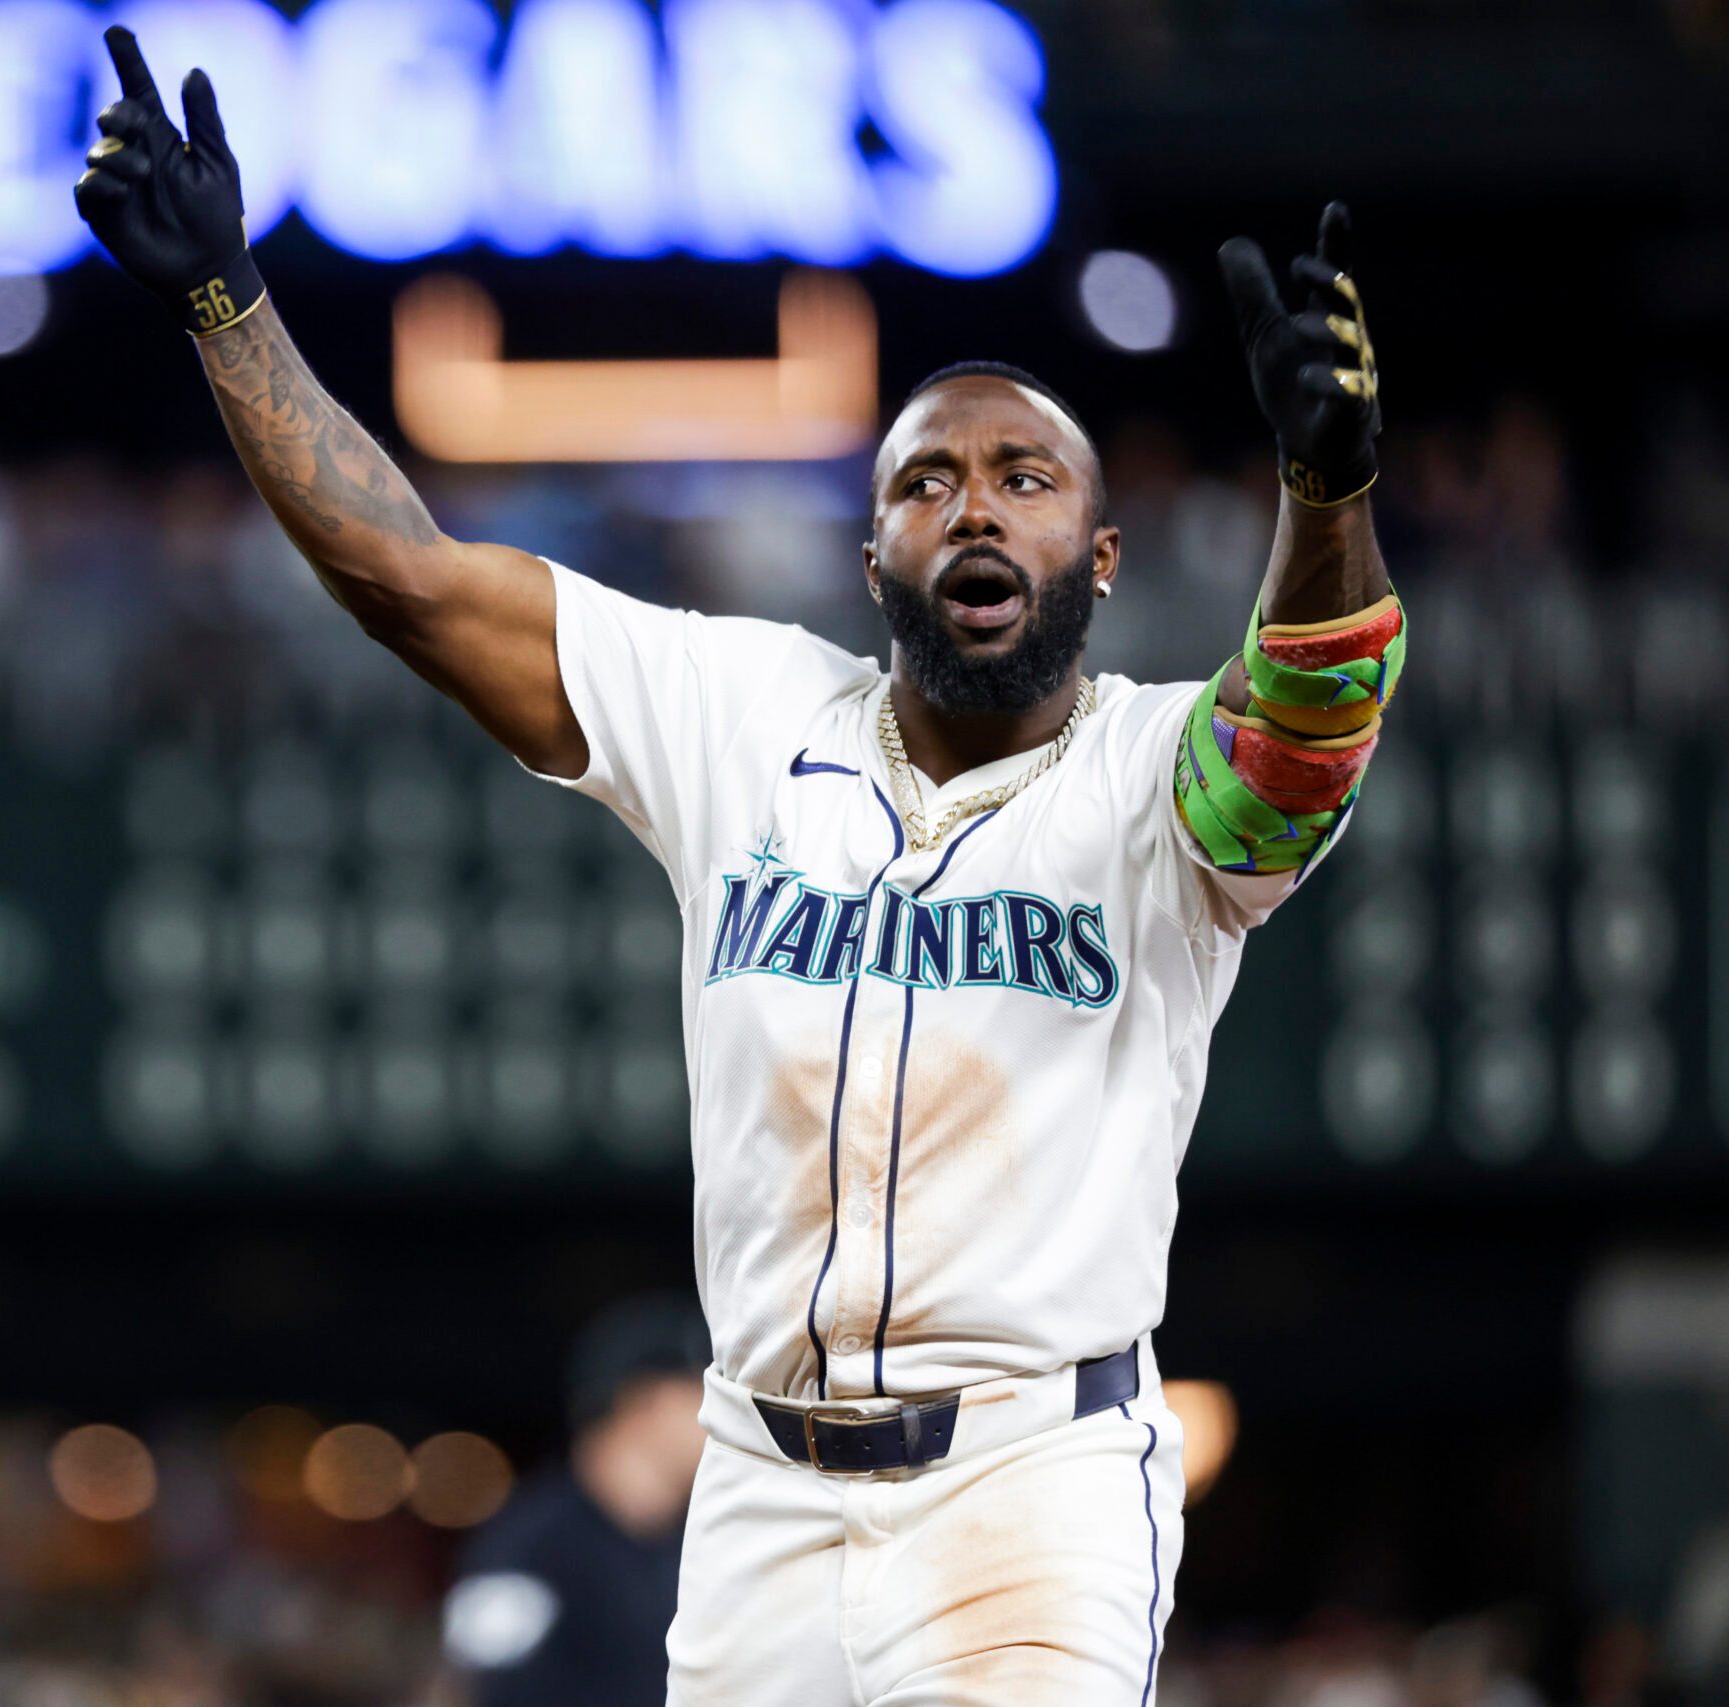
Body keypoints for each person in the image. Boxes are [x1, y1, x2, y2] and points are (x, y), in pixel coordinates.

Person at [75, 28, 1402, 1703]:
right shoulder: (742, 708)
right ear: (872, 554)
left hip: (1030, 1481)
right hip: (758, 1485)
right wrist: (227, 305)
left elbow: (1302, 727)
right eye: (928, 480)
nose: (975, 507)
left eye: (1025, 477)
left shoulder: (1153, 766)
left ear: (1101, 553)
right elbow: (414, 580)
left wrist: (1327, 487)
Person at [442, 1298, 709, 1706]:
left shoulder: (699, 1543)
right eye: (701, 1392)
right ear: (644, 1404)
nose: (720, 1418)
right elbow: (481, 1687)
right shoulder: (530, 1544)